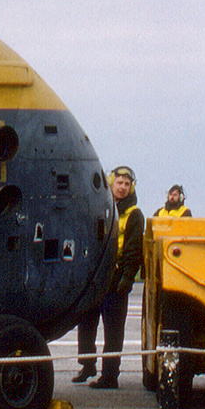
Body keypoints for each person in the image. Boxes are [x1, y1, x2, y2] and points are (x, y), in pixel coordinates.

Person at [75, 166, 143, 388]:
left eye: (126, 184)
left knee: (113, 332)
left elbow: (134, 249)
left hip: (116, 282)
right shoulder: (98, 208)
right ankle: (87, 365)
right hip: (95, 280)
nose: (122, 187)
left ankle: (110, 376)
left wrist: (127, 277)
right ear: (111, 183)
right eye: (119, 183)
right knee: (86, 325)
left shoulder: (135, 215)